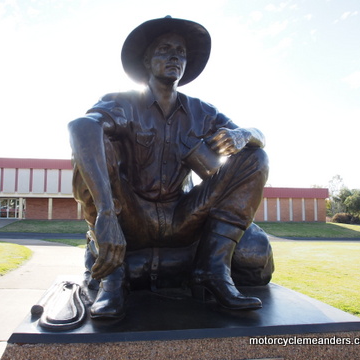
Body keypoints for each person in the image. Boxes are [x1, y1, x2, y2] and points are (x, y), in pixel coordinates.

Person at [68, 16, 269, 320]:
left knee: (255, 157)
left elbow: (258, 137)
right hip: (130, 214)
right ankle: (113, 278)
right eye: (164, 49)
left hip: (182, 214)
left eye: (181, 52)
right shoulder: (122, 103)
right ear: (147, 60)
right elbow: (81, 127)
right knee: (91, 145)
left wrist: (243, 135)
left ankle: (213, 270)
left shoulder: (203, 111)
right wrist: (107, 214)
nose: (175, 56)